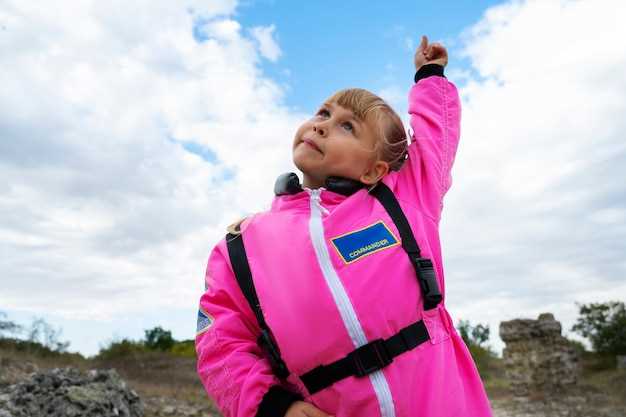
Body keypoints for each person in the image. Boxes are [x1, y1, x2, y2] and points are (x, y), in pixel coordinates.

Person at [195, 35, 494, 417]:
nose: (321, 126)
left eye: (347, 126)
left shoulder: (404, 200)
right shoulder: (242, 245)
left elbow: (436, 140)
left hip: (440, 402)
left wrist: (430, 76)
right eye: (322, 113)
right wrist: (274, 406)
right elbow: (220, 340)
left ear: (375, 170)